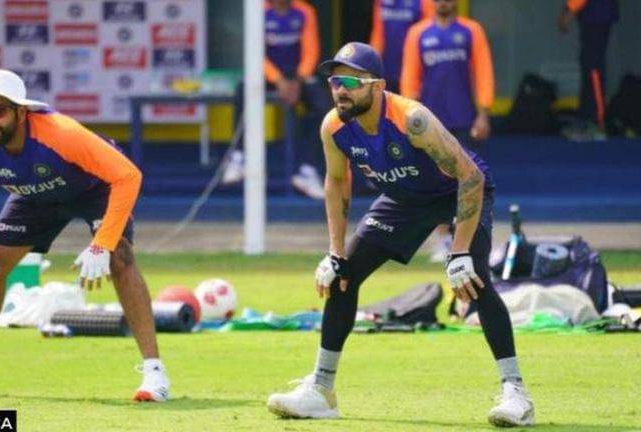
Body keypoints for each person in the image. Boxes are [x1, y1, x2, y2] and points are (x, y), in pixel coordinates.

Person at [266, 42, 534, 427]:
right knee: (343, 276)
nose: (340, 90)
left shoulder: (413, 120)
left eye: (351, 82)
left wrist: (459, 251)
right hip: (404, 198)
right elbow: (337, 182)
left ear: (378, 86)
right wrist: (335, 252)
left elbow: (470, 177)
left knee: (473, 280)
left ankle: (516, 393)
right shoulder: (334, 126)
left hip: (455, 191)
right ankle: (321, 391)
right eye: (335, 82)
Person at [0, 69, 170, 402]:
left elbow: (128, 176)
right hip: (35, 195)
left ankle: (155, 373)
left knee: (120, 258)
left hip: (94, 188)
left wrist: (102, 244)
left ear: (21, 112)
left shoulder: (61, 134)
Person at [401, 0, 495, 262]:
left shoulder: (471, 30)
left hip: (464, 117)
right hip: (430, 122)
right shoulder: (418, 33)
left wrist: (483, 113)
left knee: (469, 180)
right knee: (435, 182)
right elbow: (410, 77)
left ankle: (470, 240)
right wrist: (408, 116)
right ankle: (443, 239)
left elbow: (483, 72)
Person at [223, 0, 332, 199]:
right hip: (268, 74)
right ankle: (239, 157)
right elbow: (255, 52)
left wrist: (298, 79)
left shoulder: (304, 11)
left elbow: (311, 51)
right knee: (242, 90)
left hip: (297, 76)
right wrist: (278, 80)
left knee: (323, 105)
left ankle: (307, 169)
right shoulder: (259, 11)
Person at [558, 0, 619, 140]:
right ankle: (586, 119)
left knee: (593, 68)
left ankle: (597, 122)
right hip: (595, 14)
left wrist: (569, 11)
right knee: (589, 66)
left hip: (596, 14)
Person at [369, 0, 434, 93]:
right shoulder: (381, 2)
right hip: (387, 69)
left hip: (412, 71)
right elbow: (378, 34)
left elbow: (430, 32)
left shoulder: (424, 2)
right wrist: (371, 67)